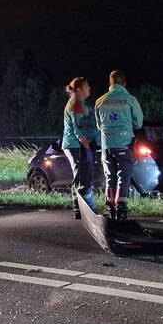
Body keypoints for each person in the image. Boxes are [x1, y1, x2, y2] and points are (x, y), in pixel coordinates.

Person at [94, 70, 144, 221]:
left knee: (110, 177)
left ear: (110, 83)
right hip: (124, 144)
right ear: (124, 83)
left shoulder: (99, 101)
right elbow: (139, 122)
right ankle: (121, 209)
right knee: (124, 177)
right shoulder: (130, 99)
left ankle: (110, 207)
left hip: (106, 145)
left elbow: (98, 126)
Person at [62, 77, 98, 219]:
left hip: (77, 144)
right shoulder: (76, 104)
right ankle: (79, 208)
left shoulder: (80, 103)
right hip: (75, 145)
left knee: (82, 175)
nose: (89, 89)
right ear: (78, 90)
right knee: (80, 176)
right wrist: (88, 146)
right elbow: (78, 129)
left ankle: (80, 208)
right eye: (86, 87)